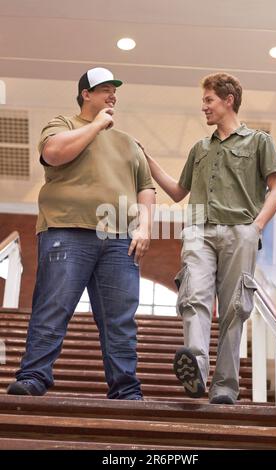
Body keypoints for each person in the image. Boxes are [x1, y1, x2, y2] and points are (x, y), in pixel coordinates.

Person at [7, 67, 155, 400]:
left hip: (119, 239)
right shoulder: (62, 125)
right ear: (85, 94)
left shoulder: (128, 143)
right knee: (53, 306)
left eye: (114, 90)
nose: (112, 95)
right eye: (104, 89)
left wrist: (145, 226)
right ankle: (33, 377)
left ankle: (126, 389)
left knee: (121, 319)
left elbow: (146, 187)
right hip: (67, 230)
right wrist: (97, 124)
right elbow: (54, 153)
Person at [138, 73, 276, 404]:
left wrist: (256, 226)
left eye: (208, 100)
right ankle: (196, 369)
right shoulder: (199, 148)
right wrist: (147, 159)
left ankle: (225, 386)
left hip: (240, 230)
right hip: (198, 231)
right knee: (193, 296)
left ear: (228, 100)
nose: (203, 107)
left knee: (234, 308)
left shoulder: (258, 141)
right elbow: (178, 192)